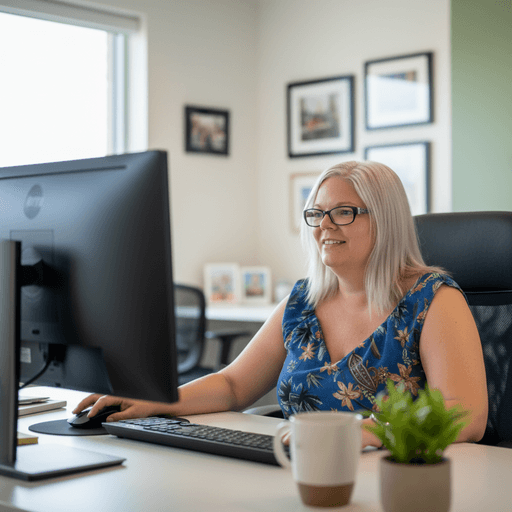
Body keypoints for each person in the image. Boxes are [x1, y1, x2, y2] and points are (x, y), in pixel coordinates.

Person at [74, 161, 488, 449]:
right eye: (317, 213)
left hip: (400, 476)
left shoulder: (433, 300)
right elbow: (235, 385)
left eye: (343, 212)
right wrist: (154, 400)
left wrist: (371, 432)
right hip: (299, 471)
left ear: (386, 220)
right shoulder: (304, 300)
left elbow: (466, 417)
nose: (324, 226)